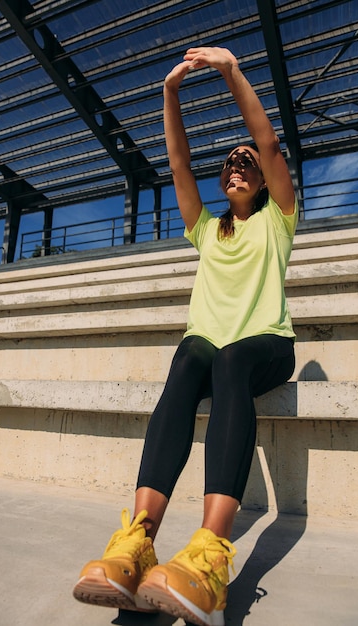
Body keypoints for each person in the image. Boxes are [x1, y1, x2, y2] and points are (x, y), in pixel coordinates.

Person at [73, 46, 298, 626]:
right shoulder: (207, 230)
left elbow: (268, 143)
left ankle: (210, 555)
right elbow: (177, 164)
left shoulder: (280, 218)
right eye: (230, 161)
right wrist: (170, 93)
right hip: (209, 345)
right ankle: (138, 541)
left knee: (229, 361)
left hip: (265, 346)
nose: (239, 163)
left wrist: (230, 71)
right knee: (189, 357)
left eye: (247, 160)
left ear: (266, 178)